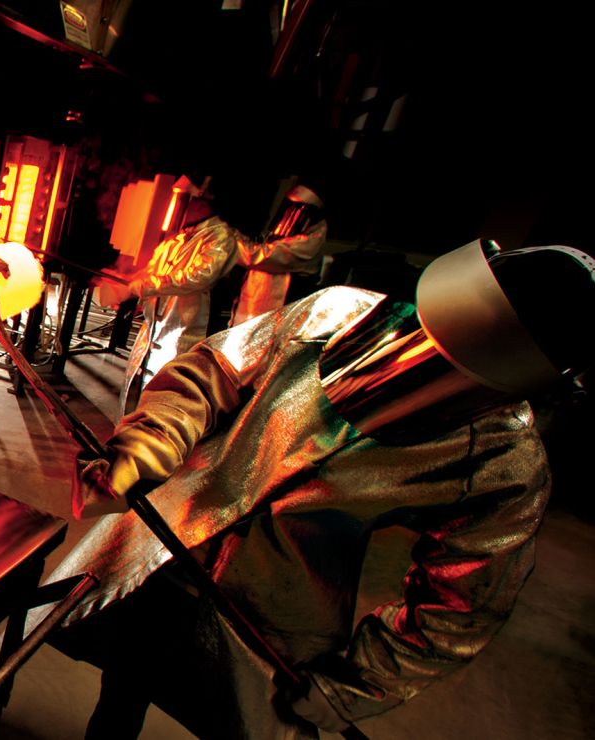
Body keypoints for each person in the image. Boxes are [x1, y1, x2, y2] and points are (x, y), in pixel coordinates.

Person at [55, 239, 595, 738]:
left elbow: (461, 605)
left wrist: (357, 682)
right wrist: (154, 439)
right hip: (159, 547)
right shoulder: (334, 314)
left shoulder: (505, 463)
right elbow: (213, 371)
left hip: (268, 623)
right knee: (123, 684)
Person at [93, 174, 247, 415]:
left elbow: (195, 277)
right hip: (153, 329)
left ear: (199, 200)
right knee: (136, 390)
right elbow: (153, 271)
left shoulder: (220, 237)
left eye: (181, 200)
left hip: (184, 332)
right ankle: (123, 444)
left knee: (166, 398)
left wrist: (138, 287)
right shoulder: (178, 237)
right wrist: (123, 283)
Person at [229, 182, 328, 327]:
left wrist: (223, 237)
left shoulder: (309, 241)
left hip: (277, 318)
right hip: (250, 313)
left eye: (295, 210)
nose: (289, 215)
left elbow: (255, 255)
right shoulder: (280, 236)